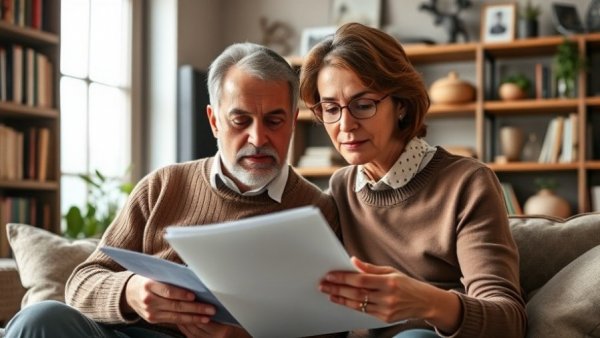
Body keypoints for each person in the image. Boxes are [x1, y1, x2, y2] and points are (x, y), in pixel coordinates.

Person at [5, 42, 338, 338]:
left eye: (274, 121)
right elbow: (82, 281)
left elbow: (332, 328)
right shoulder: (163, 186)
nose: (257, 138)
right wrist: (130, 291)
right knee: (42, 317)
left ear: (293, 121)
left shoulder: (318, 209)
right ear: (214, 121)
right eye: (241, 121)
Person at [299, 23, 526, 338]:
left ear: (401, 105)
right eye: (330, 108)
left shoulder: (467, 182)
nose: (345, 125)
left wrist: (427, 302)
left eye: (363, 105)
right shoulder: (339, 189)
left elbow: (509, 322)